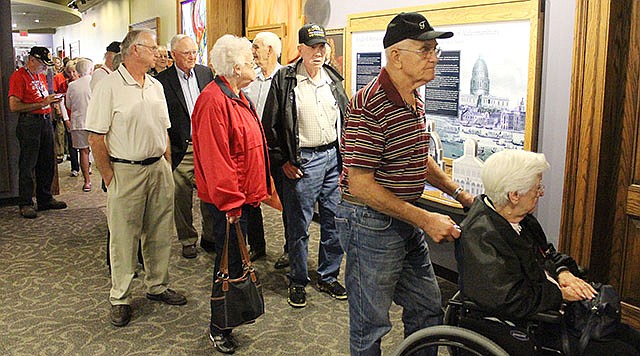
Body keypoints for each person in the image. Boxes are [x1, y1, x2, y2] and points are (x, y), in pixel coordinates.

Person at [336, 12, 474, 355]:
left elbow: (416, 156)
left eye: (435, 50)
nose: (434, 58)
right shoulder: (370, 105)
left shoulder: (413, 98)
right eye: (425, 50)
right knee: (371, 324)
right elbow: (361, 185)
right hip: (369, 223)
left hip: (404, 217)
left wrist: (458, 192)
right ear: (396, 56)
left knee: (428, 309)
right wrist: (425, 219)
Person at [458, 149, 640, 355]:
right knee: (623, 351)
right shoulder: (481, 236)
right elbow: (510, 299)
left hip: (548, 307)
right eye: (536, 188)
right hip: (526, 325)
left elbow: (547, 254)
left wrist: (563, 272)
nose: (541, 193)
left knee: (631, 336)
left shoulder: (522, 219)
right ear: (514, 195)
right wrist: (560, 294)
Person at [86, 29, 187, 328]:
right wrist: (110, 177)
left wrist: (166, 164)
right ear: (134, 51)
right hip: (125, 170)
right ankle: (120, 297)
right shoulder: (109, 86)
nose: (158, 52)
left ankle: (157, 285)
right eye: (153, 47)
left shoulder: (155, 85)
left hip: (158, 168)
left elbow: (164, 130)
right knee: (123, 237)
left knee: (158, 231)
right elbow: (95, 137)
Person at [191, 34, 270, 354]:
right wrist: (232, 203)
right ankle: (219, 326)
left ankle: (228, 319)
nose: (255, 65)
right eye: (251, 62)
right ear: (236, 67)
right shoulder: (213, 100)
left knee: (236, 260)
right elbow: (215, 158)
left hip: (242, 197)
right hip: (229, 202)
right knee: (228, 264)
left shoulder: (238, 95)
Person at [263, 23, 349, 308]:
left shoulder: (333, 79)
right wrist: (283, 160)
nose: (318, 52)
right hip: (303, 162)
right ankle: (298, 280)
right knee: (298, 226)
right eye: (312, 47)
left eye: (322, 46)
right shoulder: (285, 80)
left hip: (332, 160)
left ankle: (328, 275)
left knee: (334, 221)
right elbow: (271, 126)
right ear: (299, 49)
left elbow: (346, 121)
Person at [156, 34, 215, 259]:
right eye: (186, 53)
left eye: (194, 52)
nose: (192, 57)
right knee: (181, 198)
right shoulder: (163, 81)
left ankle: (209, 236)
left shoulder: (205, 73)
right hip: (181, 147)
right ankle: (187, 239)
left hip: (205, 146)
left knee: (208, 194)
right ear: (173, 55)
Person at [242, 31, 287, 266]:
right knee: (251, 200)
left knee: (288, 200)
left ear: (270, 50)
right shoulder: (252, 80)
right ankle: (257, 245)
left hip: (278, 152)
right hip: (254, 151)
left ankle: (290, 250)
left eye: (257, 47)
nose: (253, 51)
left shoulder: (286, 78)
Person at [8, 46, 68, 219]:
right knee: (28, 163)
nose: (45, 68)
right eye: (42, 64)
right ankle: (26, 202)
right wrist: (42, 103)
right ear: (32, 60)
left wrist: (51, 101)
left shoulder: (40, 75)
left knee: (47, 161)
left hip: (44, 121)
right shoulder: (19, 76)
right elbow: (14, 106)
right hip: (29, 122)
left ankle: (44, 198)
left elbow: (42, 99)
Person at [64, 58, 93, 192]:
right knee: (101, 150)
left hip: (78, 122)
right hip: (94, 121)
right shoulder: (95, 83)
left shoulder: (72, 86)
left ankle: (87, 181)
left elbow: (68, 105)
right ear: (90, 70)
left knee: (83, 152)